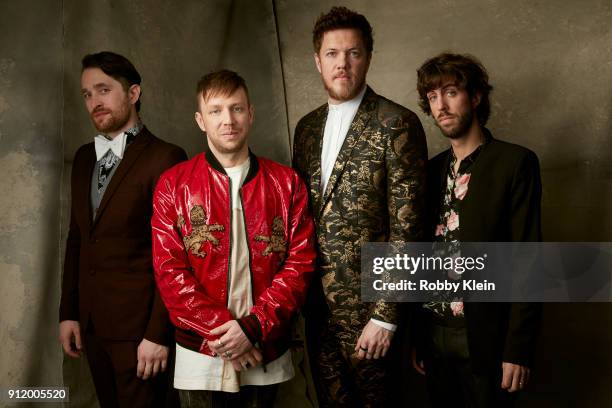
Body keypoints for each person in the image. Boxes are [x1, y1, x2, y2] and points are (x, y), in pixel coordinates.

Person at [151, 69, 316, 407]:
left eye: (237, 108)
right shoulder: (173, 184)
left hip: (266, 348)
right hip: (201, 354)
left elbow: (300, 264)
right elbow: (169, 271)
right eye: (216, 110)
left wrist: (253, 328)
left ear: (251, 114)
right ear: (201, 120)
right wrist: (226, 335)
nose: (228, 119)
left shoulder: (287, 184)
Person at [292, 6, 428, 407]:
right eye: (333, 54)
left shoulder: (396, 122)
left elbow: (409, 229)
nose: (343, 64)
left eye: (353, 53)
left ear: (367, 57)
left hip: (373, 315)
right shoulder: (306, 128)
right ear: (318, 61)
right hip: (318, 313)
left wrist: (387, 316)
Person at [411, 52, 542, 408]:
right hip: (434, 336)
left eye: (450, 92)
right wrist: (420, 338)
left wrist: (519, 348)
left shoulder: (515, 163)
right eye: (433, 97)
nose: (441, 105)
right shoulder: (431, 171)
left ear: (476, 96)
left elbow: (528, 259)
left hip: (487, 338)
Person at [59, 51, 187, 407]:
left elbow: (176, 255)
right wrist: (69, 312)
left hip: (142, 335)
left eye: (103, 90)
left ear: (132, 94)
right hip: (92, 327)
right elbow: (77, 239)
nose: (94, 102)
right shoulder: (84, 158)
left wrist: (158, 334)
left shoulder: (166, 157)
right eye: (87, 94)